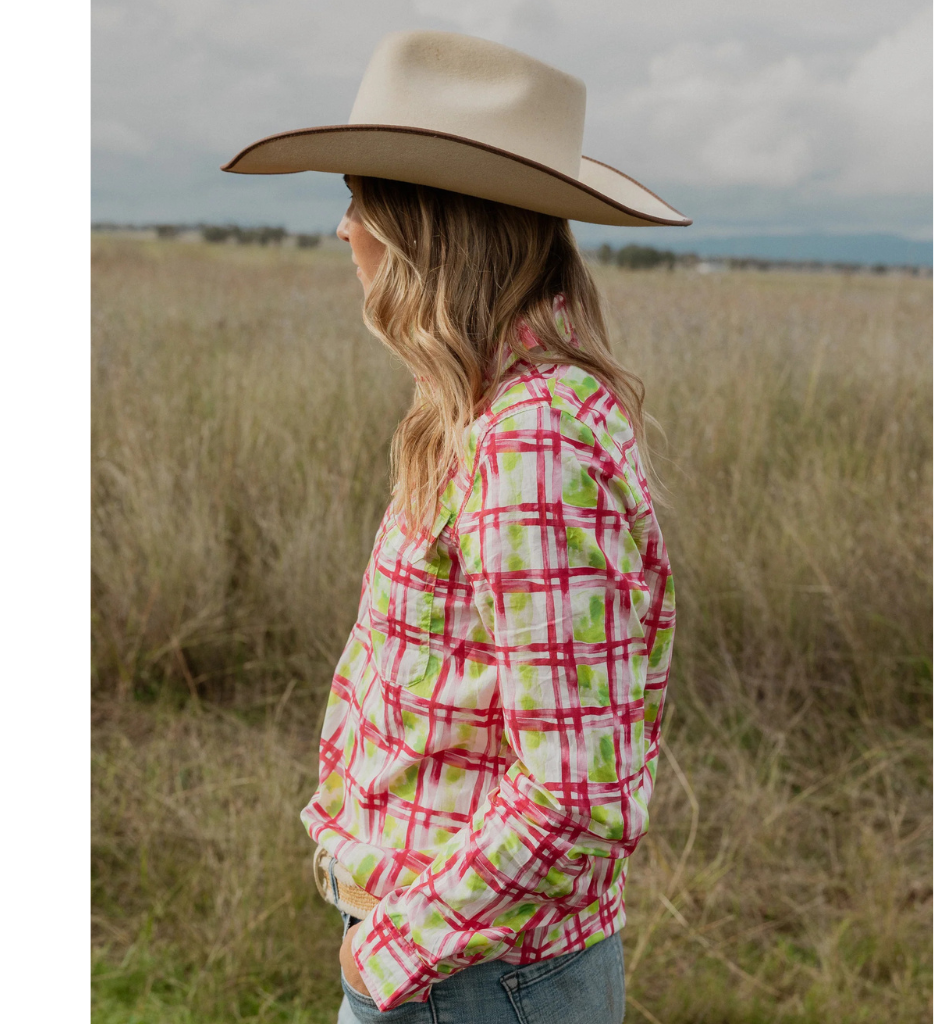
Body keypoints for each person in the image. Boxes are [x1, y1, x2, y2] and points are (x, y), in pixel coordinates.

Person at [223, 29, 689, 1024]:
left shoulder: (531, 441)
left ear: (422, 227)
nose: (344, 230)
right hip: (470, 969)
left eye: (360, 200)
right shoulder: (488, 412)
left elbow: (577, 795)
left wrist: (390, 949)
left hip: (470, 980)